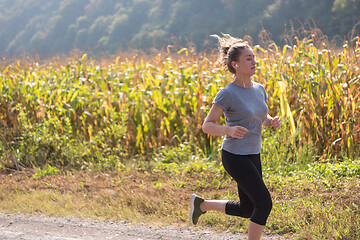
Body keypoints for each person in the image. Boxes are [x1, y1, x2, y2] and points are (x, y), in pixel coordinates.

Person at [190, 34, 281, 240]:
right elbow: (207, 126)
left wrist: (270, 121)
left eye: (254, 57)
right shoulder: (227, 93)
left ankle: (201, 205)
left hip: (252, 154)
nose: (254, 61)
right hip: (234, 156)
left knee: (248, 209)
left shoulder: (259, 89)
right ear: (236, 64)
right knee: (264, 203)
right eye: (248, 58)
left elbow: (259, 117)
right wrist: (229, 130)